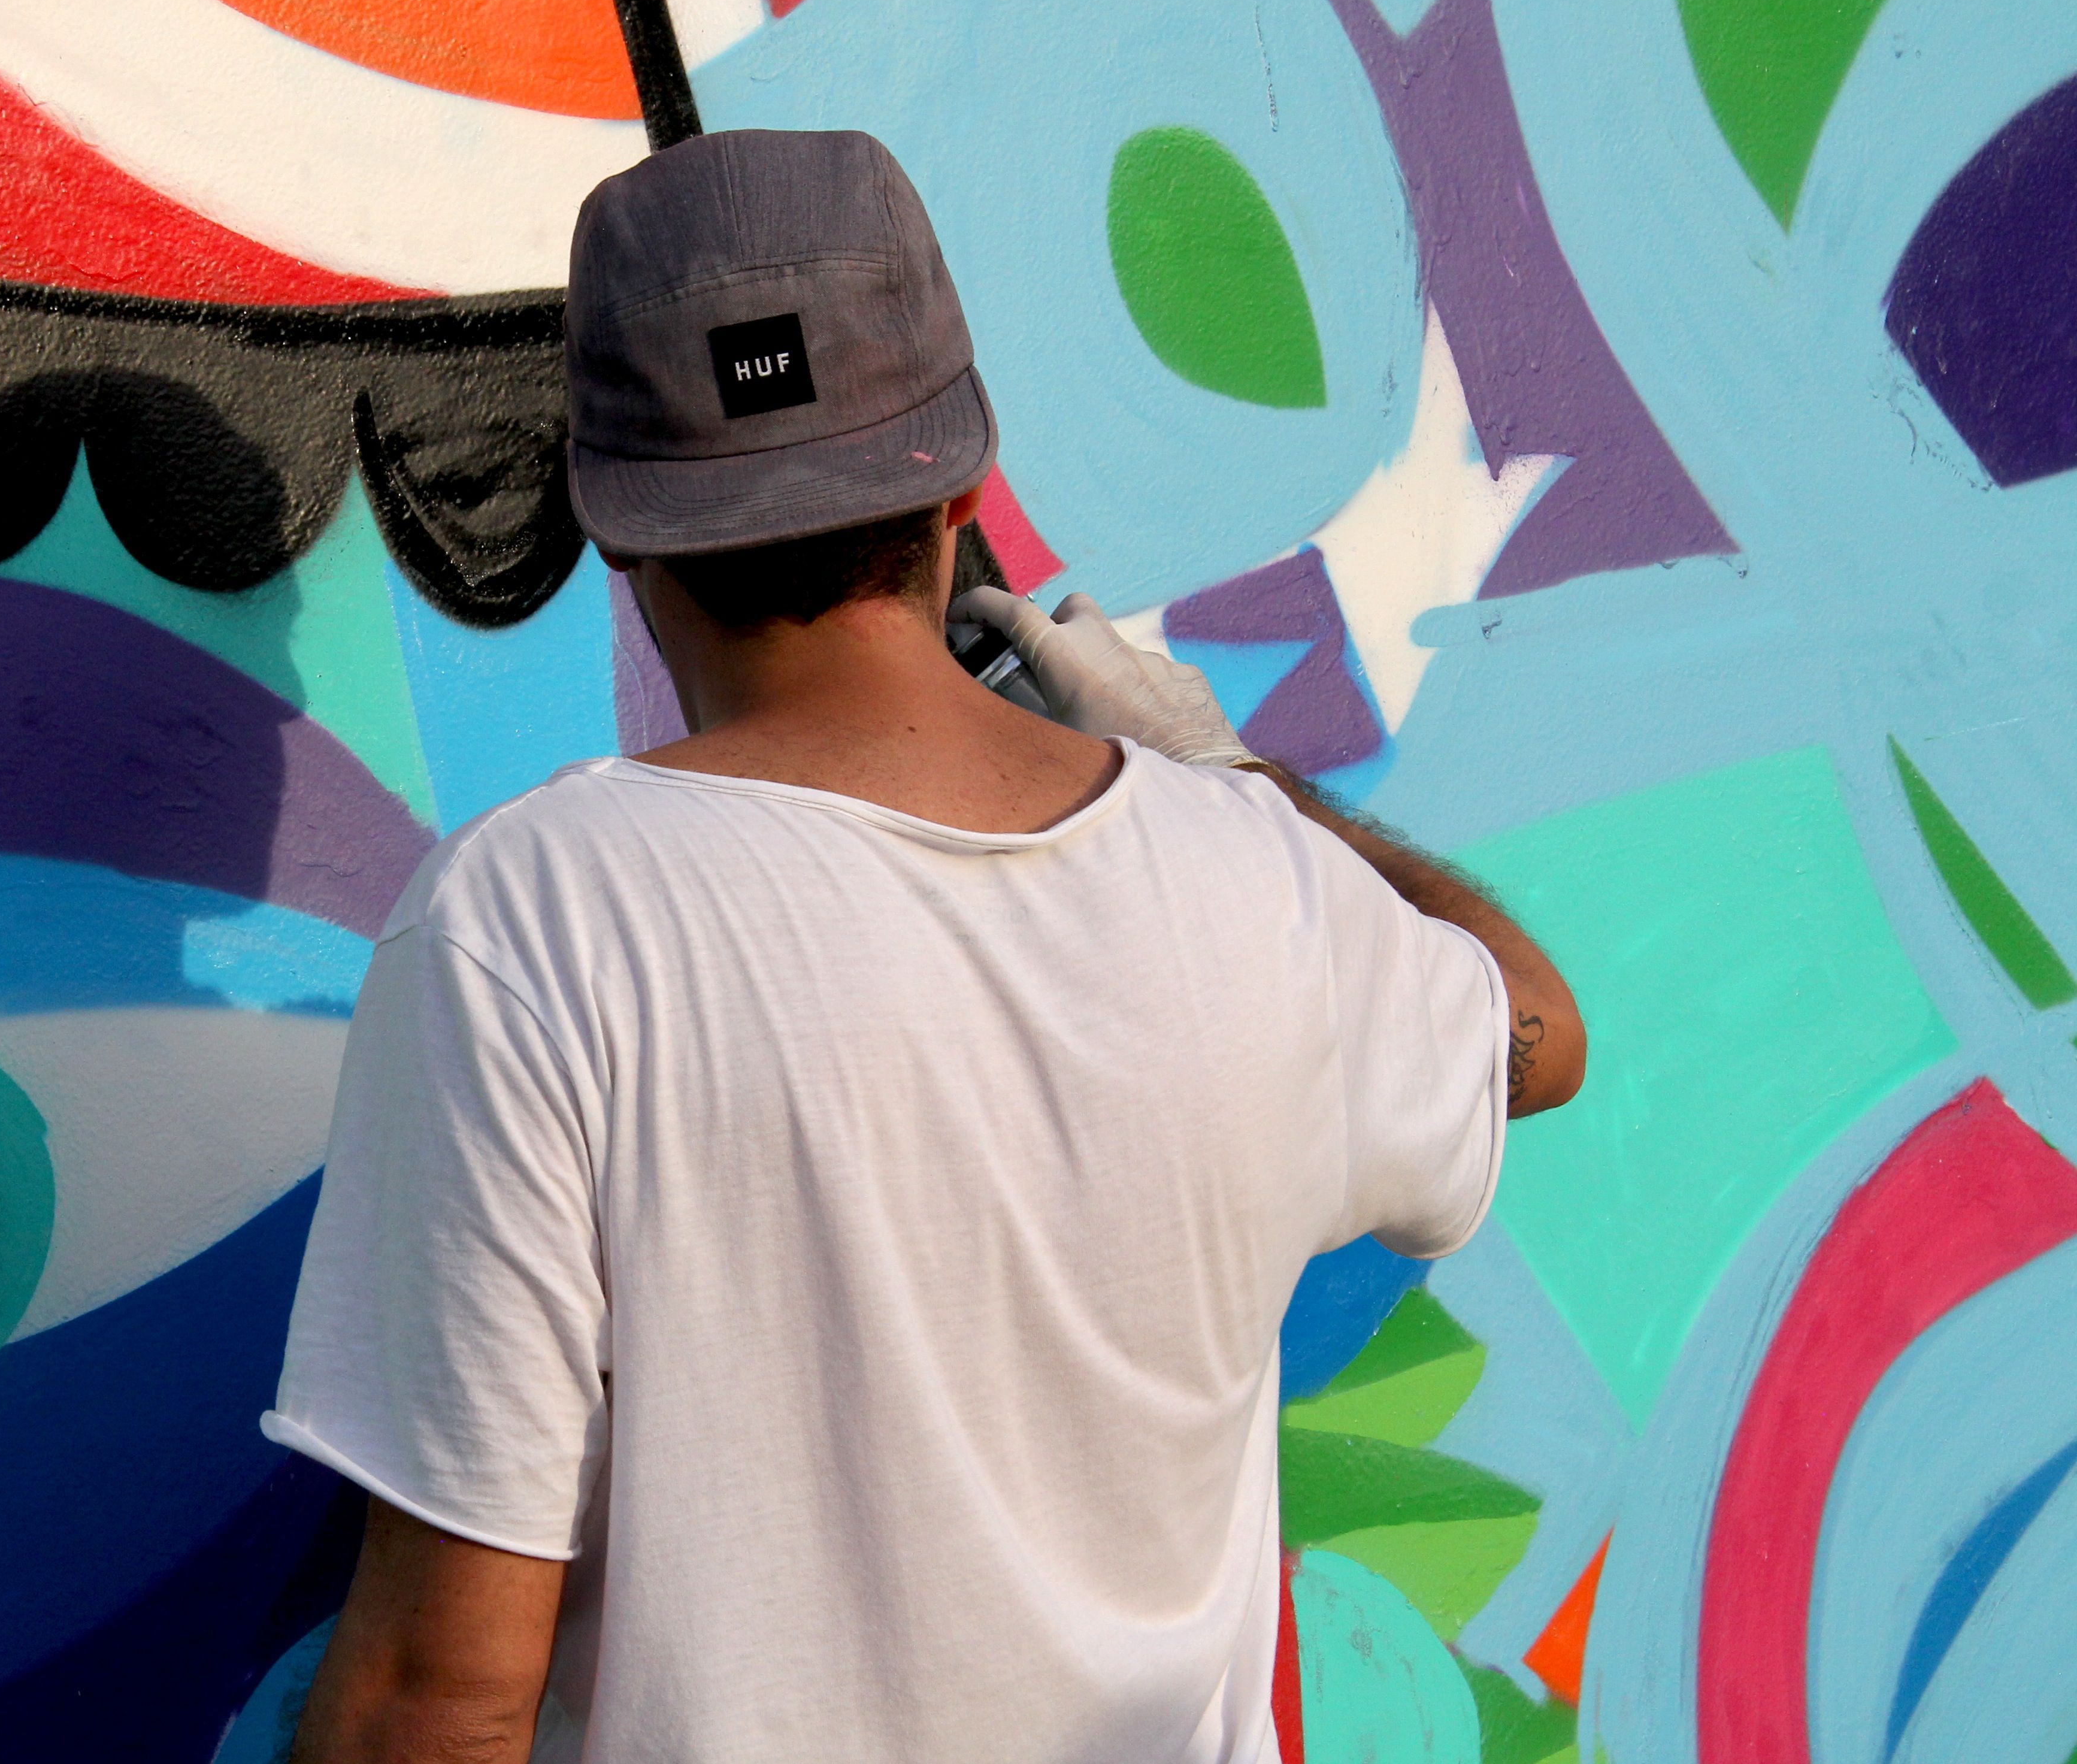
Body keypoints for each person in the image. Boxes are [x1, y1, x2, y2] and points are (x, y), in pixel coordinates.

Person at [260, 129, 1584, 1764]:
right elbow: (1536, 1031)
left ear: (616, 529)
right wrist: (1239, 784)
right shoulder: (1257, 886)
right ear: (959, 486)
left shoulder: (533, 926)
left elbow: (435, 1698)